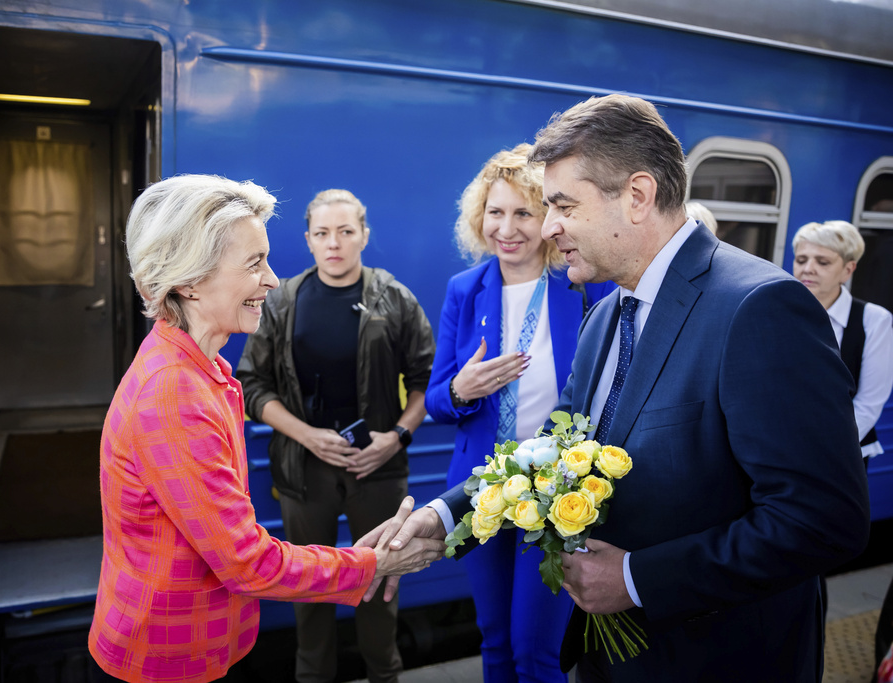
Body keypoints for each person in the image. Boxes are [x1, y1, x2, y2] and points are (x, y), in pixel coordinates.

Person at [360, 94, 871, 682]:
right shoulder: (605, 316)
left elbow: (822, 519)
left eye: (562, 206)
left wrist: (636, 579)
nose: (547, 228)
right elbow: (551, 453)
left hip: (713, 661)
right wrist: (443, 519)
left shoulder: (760, 307)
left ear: (636, 196)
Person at [87, 175, 444, 683]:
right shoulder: (174, 395)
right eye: (254, 263)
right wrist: (370, 563)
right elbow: (246, 562)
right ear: (188, 280)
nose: (272, 280)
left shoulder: (203, 370)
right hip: (166, 659)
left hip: (196, 643)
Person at [424, 143, 612, 682]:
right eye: (496, 212)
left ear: (549, 218)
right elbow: (437, 400)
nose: (507, 228)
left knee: (538, 653)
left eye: (523, 213)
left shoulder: (582, 285)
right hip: (480, 489)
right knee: (497, 642)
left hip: (558, 490)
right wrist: (461, 389)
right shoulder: (465, 289)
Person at [236, 188, 435, 683]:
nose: (335, 243)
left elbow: (426, 382)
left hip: (379, 470)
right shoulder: (281, 300)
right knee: (309, 596)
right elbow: (251, 386)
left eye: (346, 231)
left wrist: (396, 437)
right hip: (305, 473)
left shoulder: (393, 296)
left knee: (380, 589)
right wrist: (307, 435)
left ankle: (384, 673)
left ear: (364, 234)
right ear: (307, 240)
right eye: (323, 233)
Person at [792, 220, 893, 459]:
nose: (808, 269)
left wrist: (819, 449)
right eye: (801, 260)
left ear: (848, 269)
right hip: (782, 450)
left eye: (823, 262)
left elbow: (868, 403)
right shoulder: (778, 312)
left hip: (841, 455)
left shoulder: (873, 320)